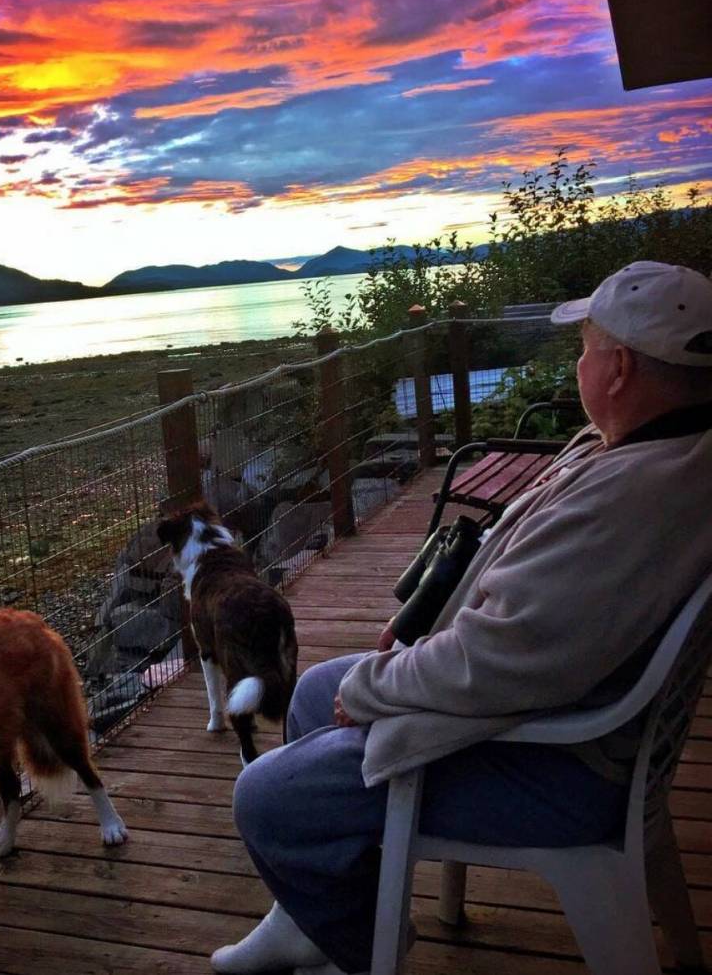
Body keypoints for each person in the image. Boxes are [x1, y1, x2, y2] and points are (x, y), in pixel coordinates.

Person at [211, 261, 712, 975]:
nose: (579, 363)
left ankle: (352, 945)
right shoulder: (670, 451)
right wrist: (407, 641)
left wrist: (376, 689)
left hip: (559, 763)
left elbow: (496, 661)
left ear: (621, 367)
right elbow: (532, 627)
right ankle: (305, 918)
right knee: (318, 688)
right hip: (577, 718)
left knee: (267, 797)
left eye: (585, 348)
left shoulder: (631, 499)